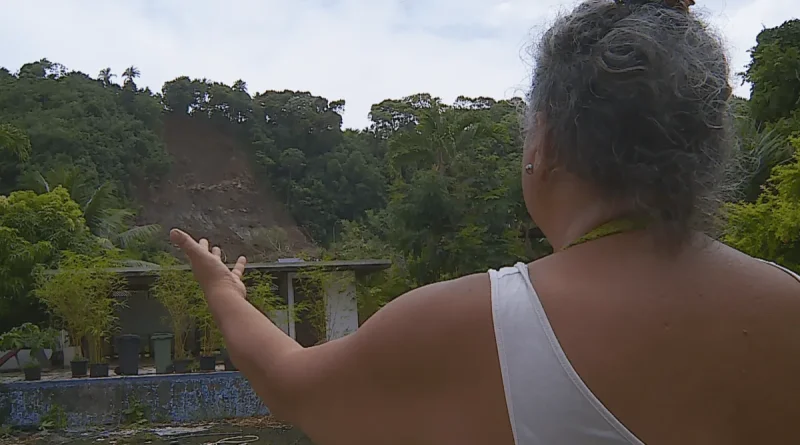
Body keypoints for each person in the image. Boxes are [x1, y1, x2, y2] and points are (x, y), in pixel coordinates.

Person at [170, 0, 800, 443]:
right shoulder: (785, 302)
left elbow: (290, 385)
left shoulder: (473, 324)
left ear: (545, 146)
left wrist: (224, 291)